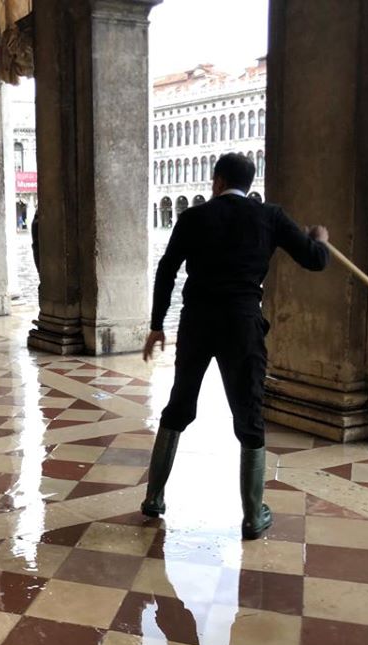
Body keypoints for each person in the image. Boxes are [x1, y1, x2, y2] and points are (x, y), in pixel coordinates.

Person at [141, 153, 330, 540]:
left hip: (197, 323)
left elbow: (167, 269)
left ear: (217, 181)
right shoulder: (270, 216)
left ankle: (154, 498)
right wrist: (320, 240)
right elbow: (314, 261)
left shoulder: (193, 218)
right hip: (242, 325)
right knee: (249, 415)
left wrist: (157, 324)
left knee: (179, 407)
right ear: (249, 181)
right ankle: (251, 515)